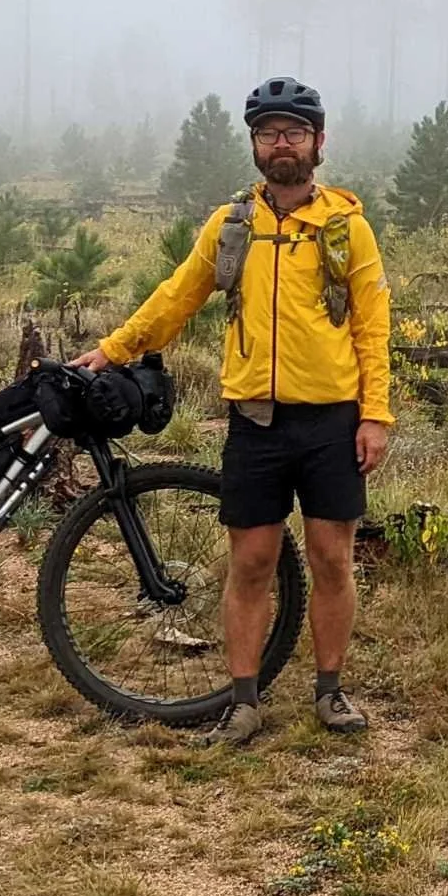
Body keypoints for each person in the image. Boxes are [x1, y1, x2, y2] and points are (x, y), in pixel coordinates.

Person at [69, 77, 392, 746]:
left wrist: (376, 415)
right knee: (250, 563)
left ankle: (330, 691)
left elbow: (373, 327)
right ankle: (243, 702)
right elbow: (176, 297)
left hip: (333, 419)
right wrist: (114, 349)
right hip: (256, 422)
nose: (283, 144)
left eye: (295, 132)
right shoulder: (232, 227)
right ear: (254, 143)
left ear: (318, 143)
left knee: (333, 559)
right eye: (270, 132)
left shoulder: (346, 229)